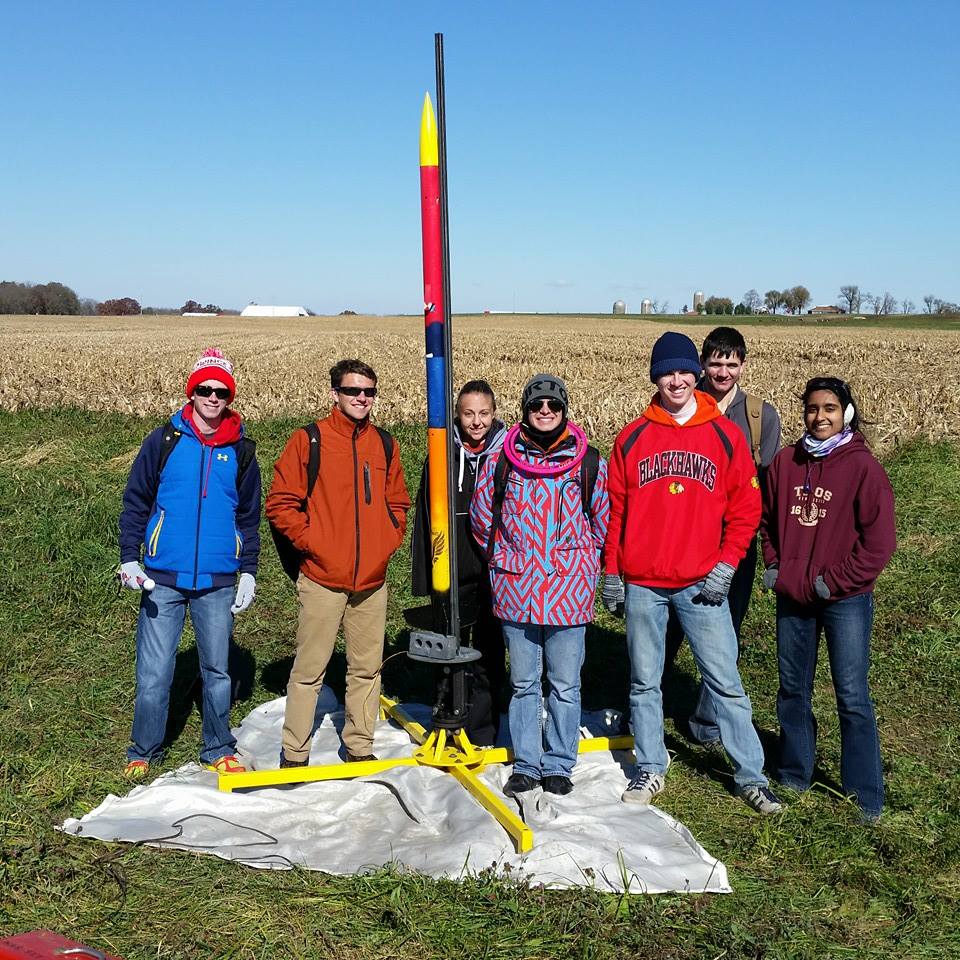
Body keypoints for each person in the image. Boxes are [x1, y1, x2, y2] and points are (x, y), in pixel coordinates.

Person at [602, 332, 781, 814]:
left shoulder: (723, 433)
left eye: (684, 371)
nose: (676, 380)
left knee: (724, 681)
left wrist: (726, 565)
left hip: (703, 583)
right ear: (655, 377)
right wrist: (611, 570)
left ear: (696, 374)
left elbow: (747, 508)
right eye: (667, 372)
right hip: (644, 582)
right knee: (644, 680)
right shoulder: (632, 436)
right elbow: (615, 511)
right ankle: (650, 766)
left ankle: (751, 776)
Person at [119, 347, 261, 779]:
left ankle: (217, 746)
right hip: (161, 578)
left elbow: (249, 515)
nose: (213, 397)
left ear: (230, 397)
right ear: (192, 391)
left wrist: (248, 569)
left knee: (217, 671)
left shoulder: (241, 450)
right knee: (154, 672)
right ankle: (144, 749)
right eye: (205, 389)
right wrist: (129, 557)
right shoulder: (164, 440)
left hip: (218, 580)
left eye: (222, 391)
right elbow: (136, 501)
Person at [761, 377, 895, 820]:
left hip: (845, 600)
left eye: (830, 408)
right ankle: (795, 771)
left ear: (846, 414)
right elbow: (767, 521)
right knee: (792, 689)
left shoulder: (863, 468)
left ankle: (864, 794)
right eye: (813, 409)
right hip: (794, 595)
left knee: (852, 693)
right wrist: (776, 566)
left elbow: (878, 544)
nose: (820, 417)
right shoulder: (785, 462)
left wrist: (832, 582)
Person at [266, 359, 411, 766]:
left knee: (366, 671)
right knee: (309, 670)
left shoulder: (384, 444)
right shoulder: (309, 440)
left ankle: (360, 746)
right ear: (335, 394)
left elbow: (397, 501)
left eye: (368, 392)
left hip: (371, 583)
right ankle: (294, 753)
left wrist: (387, 541)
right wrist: (316, 545)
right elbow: (280, 503)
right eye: (352, 391)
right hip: (322, 580)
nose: (361, 398)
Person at [471, 374, 609, 797]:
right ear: (525, 411)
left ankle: (560, 764)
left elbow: (602, 523)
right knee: (524, 683)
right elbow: (481, 522)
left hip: (569, 593)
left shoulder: (589, 463)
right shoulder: (501, 461)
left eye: (552, 405)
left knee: (565, 684)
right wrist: (506, 561)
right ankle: (528, 763)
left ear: (564, 409)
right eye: (536, 406)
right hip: (517, 591)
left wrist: (579, 564)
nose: (545, 412)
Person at [662, 326, 783, 748]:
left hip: (734, 546)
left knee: (725, 631)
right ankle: (647, 702)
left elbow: (765, 488)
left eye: (732, 363)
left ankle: (706, 720)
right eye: (715, 362)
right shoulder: (683, 406)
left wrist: (765, 549)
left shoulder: (759, 416)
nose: (723, 371)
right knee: (669, 625)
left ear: (743, 365)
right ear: (702, 365)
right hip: (682, 540)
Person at [411, 380, 508, 746]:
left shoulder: (506, 456)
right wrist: (426, 577)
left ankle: (483, 729)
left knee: (488, 652)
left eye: (484, 413)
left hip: (493, 572)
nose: (476, 421)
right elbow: (424, 518)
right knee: (446, 652)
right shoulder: (441, 458)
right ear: (457, 414)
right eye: (468, 413)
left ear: (494, 414)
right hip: (448, 573)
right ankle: (447, 721)